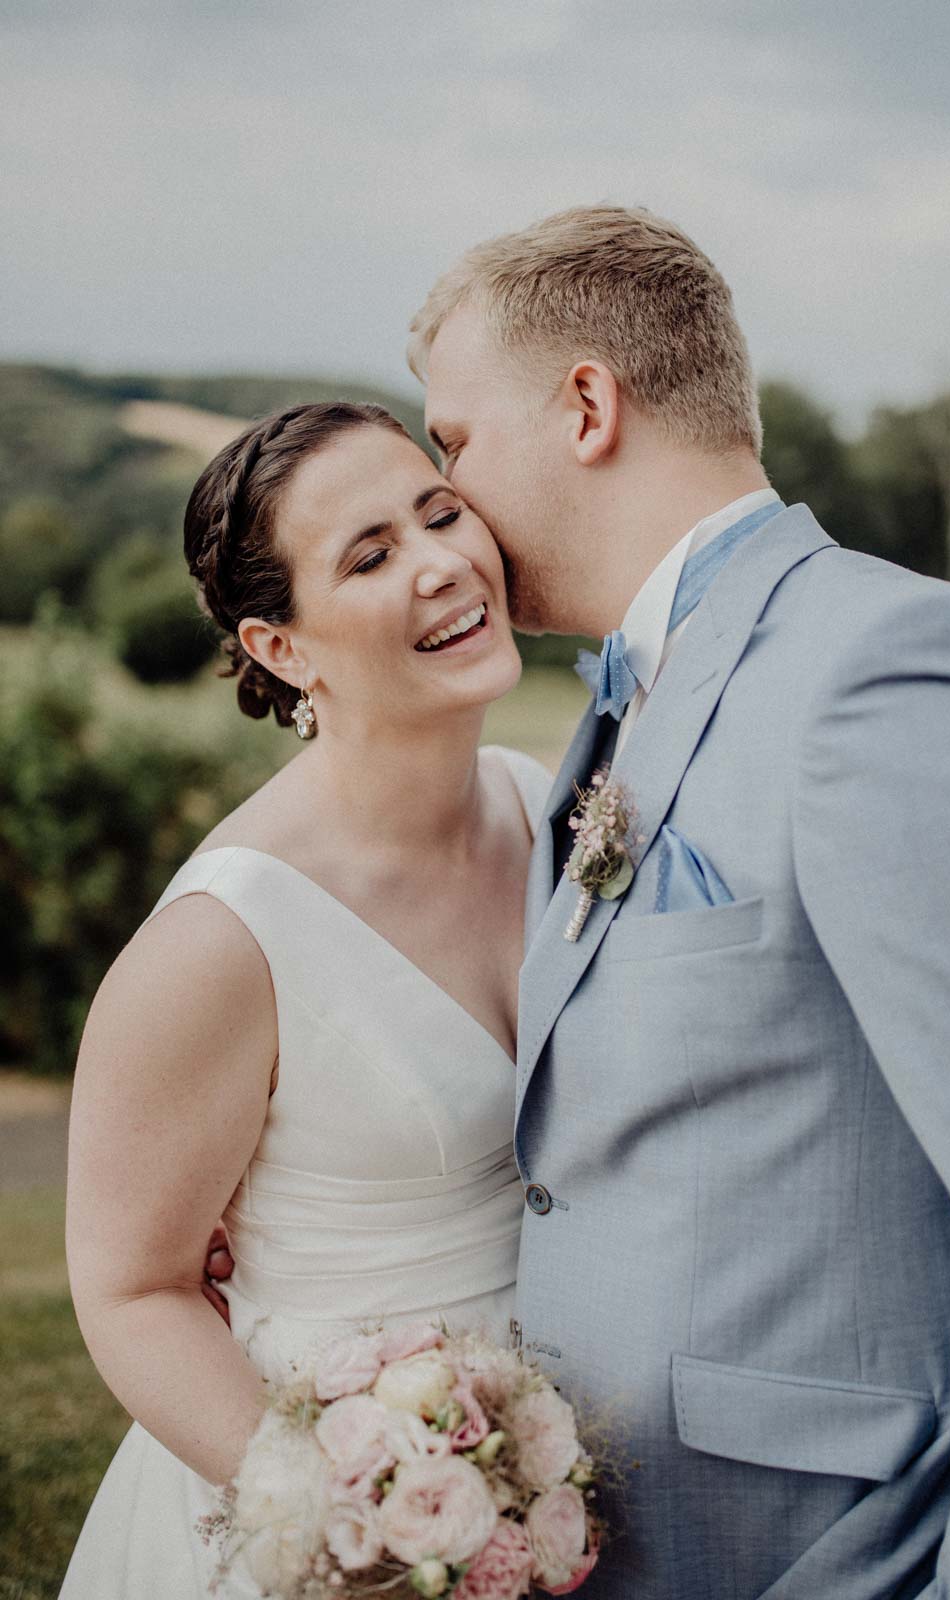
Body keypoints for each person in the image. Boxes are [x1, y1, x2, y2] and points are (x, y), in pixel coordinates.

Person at [399, 206, 950, 1597]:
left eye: (452, 444)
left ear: (588, 404)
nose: (446, 500)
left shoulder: (875, 667)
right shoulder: (621, 703)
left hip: (840, 1561)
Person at [59, 401, 550, 1598]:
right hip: (349, 1508)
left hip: (551, 1463)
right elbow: (134, 1290)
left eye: (439, 511)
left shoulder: (546, 803)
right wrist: (350, 1521)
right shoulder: (222, 941)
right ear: (283, 650)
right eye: (371, 556)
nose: (441, 562)